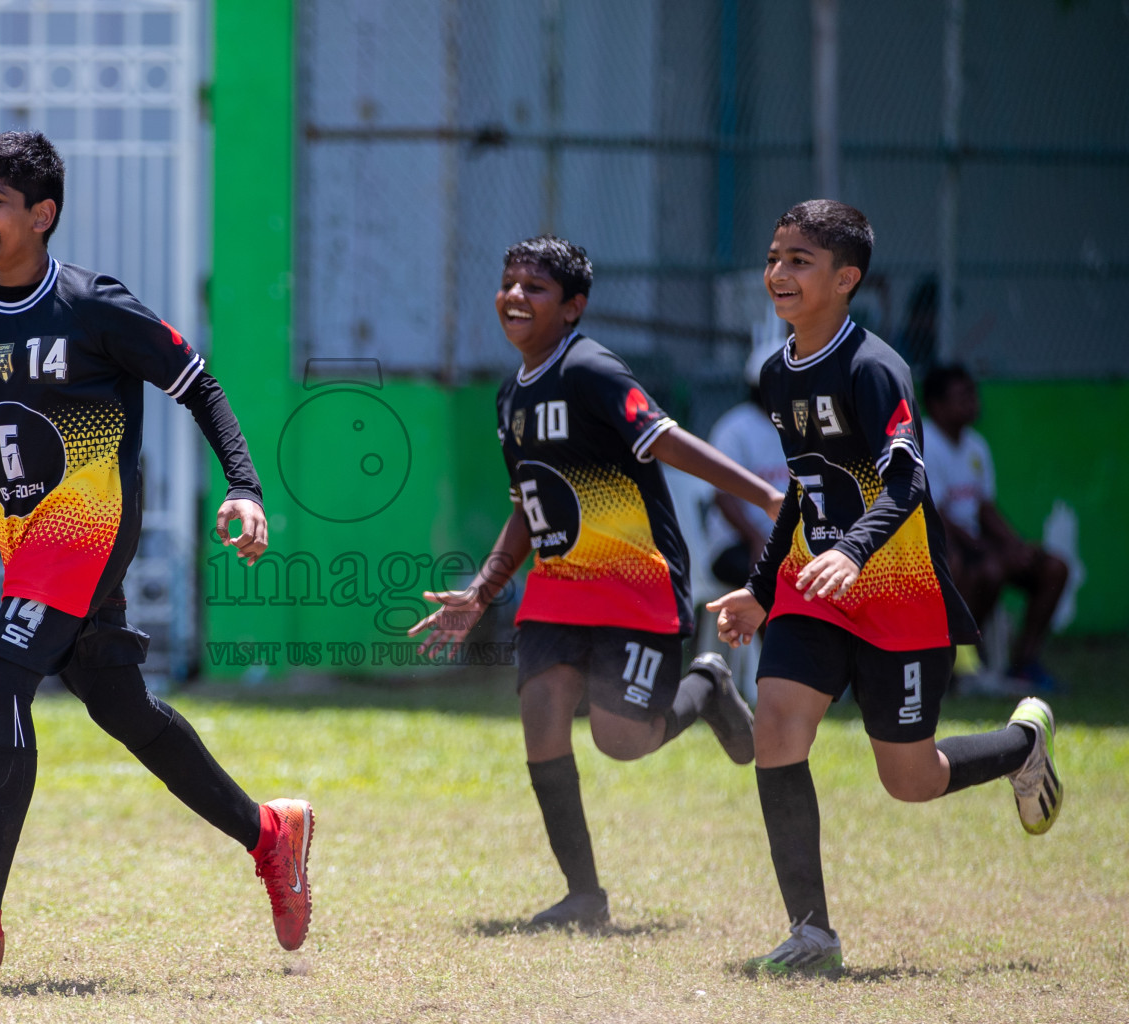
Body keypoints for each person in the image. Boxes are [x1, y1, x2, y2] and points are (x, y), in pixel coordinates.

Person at [0, 132, 312, 979]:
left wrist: (245, 487)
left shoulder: (94, 304)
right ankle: (270, 835)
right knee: (121, 709)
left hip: (89, 526)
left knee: (1, 677)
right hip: (28, 543)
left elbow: (200, 386)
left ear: (42, 213)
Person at [708, 200, 1063, 977]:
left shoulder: (876, 368)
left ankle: (1021, 745)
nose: (779, 273)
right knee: (776, 728)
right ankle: (811, 935)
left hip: (897, 592)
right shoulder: (777, 374)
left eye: (800, 260)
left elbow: (906, 482)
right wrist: (766, 590)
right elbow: (804, 492)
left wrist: (858, 552)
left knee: (911, 779)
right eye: (774, 257)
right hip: (813, 584)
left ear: (847, 279)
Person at [409, 236, 784, 929]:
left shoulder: (591, 370)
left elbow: (668, 439)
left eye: (537, 288)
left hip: (634, 584)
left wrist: (763, 495)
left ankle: (706, 687)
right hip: (557, 590)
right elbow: (529, 504)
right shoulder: (509, 397)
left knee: (621, 738)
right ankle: (585, 896)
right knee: (541, 719)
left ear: (573, 306)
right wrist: (483, 592)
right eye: (509, 282)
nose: (516, 296)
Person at [922, 364, 1068, 690]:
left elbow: (985, 507)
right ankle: (956, 668)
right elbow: (938, 516)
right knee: (989, 569)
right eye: (961, 397)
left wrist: (1015, 546)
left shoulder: (976, 445)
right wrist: (991, 550)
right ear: (935, 405)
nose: (972, 403)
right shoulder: (925, 443)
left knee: (1054, 568)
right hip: (946, 545)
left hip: (978, 544)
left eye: (972, 395)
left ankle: (1024, 663)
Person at [706, 343, 792, 590]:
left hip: (789, 543)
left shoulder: (801, 426)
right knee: (774, 580)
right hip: (737, 543)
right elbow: (723, 497)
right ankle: (771, 630)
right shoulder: (734, 428)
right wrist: (756, 539)